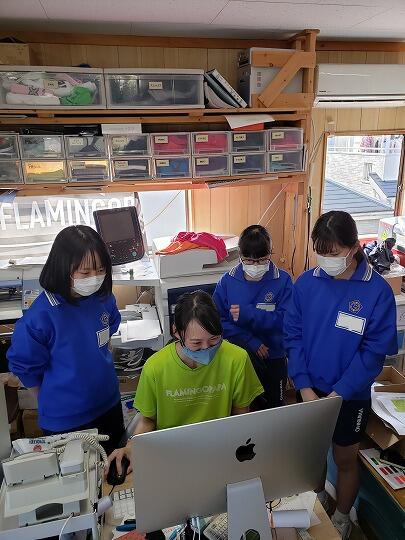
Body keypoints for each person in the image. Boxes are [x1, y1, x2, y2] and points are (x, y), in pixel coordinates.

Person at [284, 211, 397, 539]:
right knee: (312, 453)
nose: (325, 260)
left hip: (351, 394)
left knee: (345, 457)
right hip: (311, 389)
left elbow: (373, 354)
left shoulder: (376, 291)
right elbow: (293, 337)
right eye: (320, 252)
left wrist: (340, 393)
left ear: (353, 247)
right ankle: (317, 498)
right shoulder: (307, 283)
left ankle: (343, 517)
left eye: (332, 253)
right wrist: (303, 386)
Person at [107, 290, 264, 474]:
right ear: (176, 332)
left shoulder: (237, 359)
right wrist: (132, 446)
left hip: (220, 451)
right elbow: (148, 419)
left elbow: (240, 416)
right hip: (170, 454)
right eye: (196, 343)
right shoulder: (156, 367)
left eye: (214, 340)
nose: (206, 349)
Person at [7, 225, 123, 454]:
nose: (95, 278)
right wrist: (53, 399)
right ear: (62, 269)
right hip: (65, 420)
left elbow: (110, 327)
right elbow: (26, 369)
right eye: (85, 273)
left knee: (116, 466)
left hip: (109, 404)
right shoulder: (41, 317)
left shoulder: (103, 298)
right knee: (77, 474)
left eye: (101, 270)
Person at [213, 225, 293, 409]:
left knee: (275, 405)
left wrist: (248, 314)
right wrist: (250, 341)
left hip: (274, 355)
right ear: (240, 254)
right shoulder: (227, 282)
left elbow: (287, 320)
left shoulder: (283, 280)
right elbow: (218, 322)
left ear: (270, 252)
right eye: (249, 260)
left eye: (262, 260)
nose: (255, 266)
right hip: (241, 356)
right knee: (245, 406)